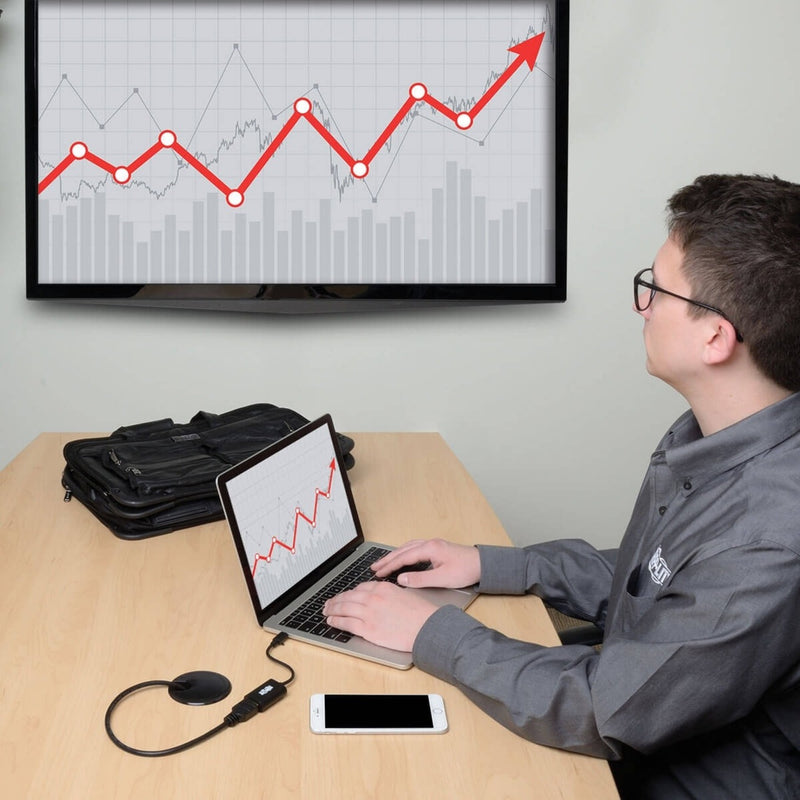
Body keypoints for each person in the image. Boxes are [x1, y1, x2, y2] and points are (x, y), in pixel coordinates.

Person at [324, 174, 800, 798]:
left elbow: (607, 709)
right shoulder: (721, 435)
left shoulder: (771, 537)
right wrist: (495, 565)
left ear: (715, 337)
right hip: (650, 720)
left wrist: (429, 632)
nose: (643, 307)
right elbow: (658, 583)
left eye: (655, 289)